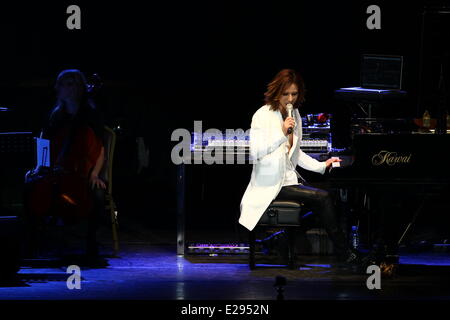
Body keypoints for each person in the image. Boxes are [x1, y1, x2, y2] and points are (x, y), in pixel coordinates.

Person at [239, 69, 360, 265]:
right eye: (285, 94)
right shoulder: (261, 115)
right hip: (270, 184)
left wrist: (322, 166)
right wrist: (281, 133)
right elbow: (256, 152)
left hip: (288, 182)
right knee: (323, 197)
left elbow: (296, 153)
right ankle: (344, 253)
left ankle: (280, 240)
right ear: (277, 92)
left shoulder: (295, 114)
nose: (290, 99)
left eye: (294, 94)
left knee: (333, 198)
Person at [27, 69, 106, 260]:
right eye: (61, 83)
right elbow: (44, 142)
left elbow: (101, 148)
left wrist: (95, 174)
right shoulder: (56, 115)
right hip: (55, 169)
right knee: (30, 184)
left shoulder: (90, 114)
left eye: (67, 84)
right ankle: (31, 239)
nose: (61, 88)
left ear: (78, 87)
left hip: (83, 171)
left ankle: (91, 241)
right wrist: (39, 166)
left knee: (97, 192)